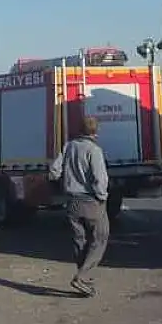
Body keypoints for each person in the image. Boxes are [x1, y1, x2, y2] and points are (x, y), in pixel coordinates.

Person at [49, 116, 111, 297]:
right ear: (96, 131)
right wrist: (102, 196)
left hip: (72, 201)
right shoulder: (94, 150)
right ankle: (83, 276)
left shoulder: (68, 146)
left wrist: (62, 181)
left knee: (79, 240)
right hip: (91, 201)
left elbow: (54, 170)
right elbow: (100, 178)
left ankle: (84, 279)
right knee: (100, 238)